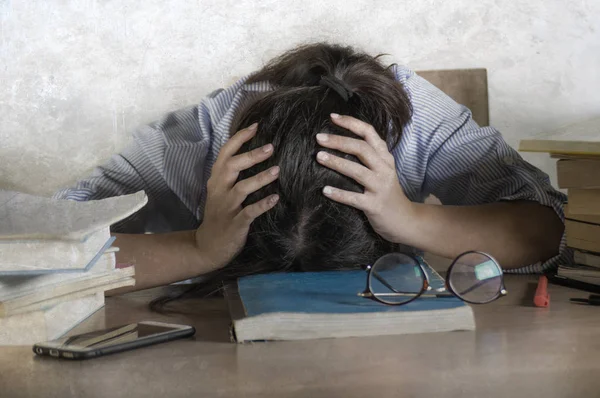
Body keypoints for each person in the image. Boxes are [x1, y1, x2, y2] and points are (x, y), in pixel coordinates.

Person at [53, 43, 567, 301]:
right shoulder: (193, 143)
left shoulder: (413, 122)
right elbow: (34, 243)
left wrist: (411, 220)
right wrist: (199, 248)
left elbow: (544, 228)